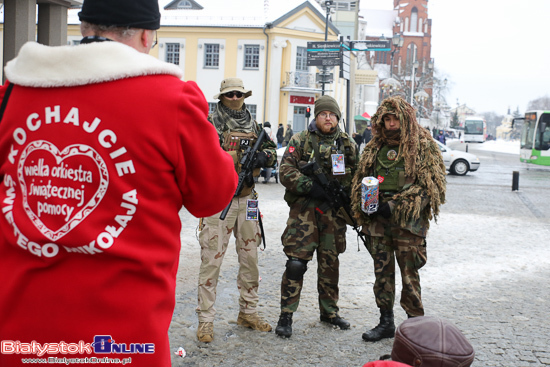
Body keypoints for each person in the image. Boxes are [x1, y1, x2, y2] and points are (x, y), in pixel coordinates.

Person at [0, 0, 237, 366]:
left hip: (21, 336)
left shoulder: (14, 95)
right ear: (147, 35)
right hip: (123, 341)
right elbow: (213, 195)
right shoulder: (170, 100)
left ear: (84, 29)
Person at [350, 96, 446, 342]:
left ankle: (416, 327)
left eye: (396, 119)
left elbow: (430, 186)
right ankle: (385, 323)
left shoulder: (424, 145)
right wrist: (366, 204)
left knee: (409, 275)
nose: (391, 124)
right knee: (382, 274)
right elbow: (362, 179)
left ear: (406, 119)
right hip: (378, 224)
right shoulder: (374, 147)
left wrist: (392, 206)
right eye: (387, 119)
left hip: (407, 224)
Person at [197, 77, 277, 343]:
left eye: (238, 93)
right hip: (219, 200)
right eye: (229, 94)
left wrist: (263, 157)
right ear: (221, 97)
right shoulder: (210, 123)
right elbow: (200, 155)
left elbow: (271, 152)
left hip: (248, 199)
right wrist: (230, 158)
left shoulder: (253, 125)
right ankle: (206, 321)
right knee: (211, 262)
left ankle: (248, 312)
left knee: (250, 260)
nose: (234, 98)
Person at [275, 95, 359, 338]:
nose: (328, 118)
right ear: (317, 116)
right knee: (296, 264)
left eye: (332, 114)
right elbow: (286, 172)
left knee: (330, 264)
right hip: (304, 215)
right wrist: (311, 187)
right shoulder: (299, 140)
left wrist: (347, 192)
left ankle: (329, 312)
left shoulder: (347, 144)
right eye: (323, 114)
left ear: (338, 117)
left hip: (333, 216)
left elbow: (359, 175)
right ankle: (286, 315)